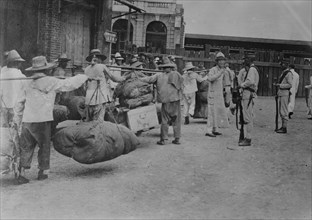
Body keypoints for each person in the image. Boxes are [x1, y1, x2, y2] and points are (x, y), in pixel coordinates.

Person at [13, 56, 89, 184]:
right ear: (46, 69)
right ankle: (43, 171)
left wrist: (17, 118)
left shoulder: (26, 82)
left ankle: (22, 172)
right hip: (43, 119)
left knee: (26, 146)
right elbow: (69, 84)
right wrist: (84, 76)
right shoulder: (51, 81)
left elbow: (19, 102)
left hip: (28, 119)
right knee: (44, 145)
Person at [140, 57, 183, 145]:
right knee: (176, 120)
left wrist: (138, 77)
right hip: (175, 100)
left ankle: (164, 139)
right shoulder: (177, 74)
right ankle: (177, 138)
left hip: (166, 101)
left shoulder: (159, 75)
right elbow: (182, 83)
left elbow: (148, 80)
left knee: (165, 120)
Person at [84, 49, 125, 122]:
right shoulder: (102, 66)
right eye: (99, 58)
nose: (100, 60)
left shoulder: (86, 69)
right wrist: (124, 78)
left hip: (88, 99)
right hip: (99, 98)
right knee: (99, 122)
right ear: (97, 58)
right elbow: (114, 78)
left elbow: (85, 86)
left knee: (88, 121)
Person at [237, 53, 259, 146]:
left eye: (245, 59)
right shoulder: (252, 69)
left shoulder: (252, 69)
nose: (244, 61)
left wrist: (242, 85)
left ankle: (248, 138)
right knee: (247, 116)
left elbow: (250, 81)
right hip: (248, 93)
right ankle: (247, 137)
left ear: (249, 60)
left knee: (248, 117)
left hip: (248, 94)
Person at [205, 52, 229, 137]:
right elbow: (210, 78)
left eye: (223, 61)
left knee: (217, 111)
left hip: (219, 94)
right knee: (211, 112)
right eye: (220, 61)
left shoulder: (223, 70)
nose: (222, 62)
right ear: (217, 62)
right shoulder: (213, 70)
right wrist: (220, 72)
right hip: (212, 93)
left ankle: (215, 129)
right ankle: (208, 131)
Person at [0, 50, 26, 127]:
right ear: (16, 63)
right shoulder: (21, 77)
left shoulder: (2, 75)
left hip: (4, 108)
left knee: (4, 132)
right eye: (19, 62)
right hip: (16, 109)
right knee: (15, 131)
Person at [275, 58, 293, 134]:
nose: (281, 66)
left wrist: (280, 85)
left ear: (286, 64)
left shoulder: (288, 73)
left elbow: (290, 84)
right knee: (281, 111)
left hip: (285, 93)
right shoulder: (284, 72)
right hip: (281, 93)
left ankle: (284, 128)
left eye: (282, 64)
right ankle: (282, 126)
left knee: (284, 111)